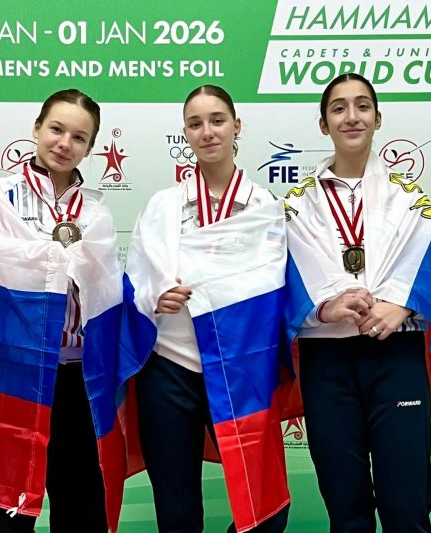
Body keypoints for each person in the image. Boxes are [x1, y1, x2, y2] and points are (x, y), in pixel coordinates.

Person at [0, 89, 120, 533]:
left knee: (83, 511)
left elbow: (102, 283)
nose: (64, 143)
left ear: (90, 147)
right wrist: (59, 258)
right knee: (3, 511)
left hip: (73, 375)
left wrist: (47, 258)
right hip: (9, 374)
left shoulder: (96, 210)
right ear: (36, 128)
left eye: (79, 137)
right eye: (56, 129)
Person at [284, 73, 431, 532]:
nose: (352, 117)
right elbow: (284, 276)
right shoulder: (297, 203)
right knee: (345, 504)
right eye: (339, 108)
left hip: (395, 355)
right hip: (327, 360)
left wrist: (402, 305)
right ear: (324, 124)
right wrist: (326, 308)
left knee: (406, 501)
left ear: (378, 118)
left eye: (362, 106)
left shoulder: (409, 198)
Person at [115, 85, 291, 533]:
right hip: (170, 370)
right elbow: (135, 283)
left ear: (236, 126)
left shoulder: (265, 208)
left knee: (267, 511)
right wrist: (154, 298)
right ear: (186, 134)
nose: (207, 132)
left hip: (241, 370)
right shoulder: (163, 205)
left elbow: (277, 289)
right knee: (177, 515)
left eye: (217, 120)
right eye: (195, 124)